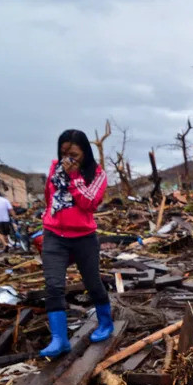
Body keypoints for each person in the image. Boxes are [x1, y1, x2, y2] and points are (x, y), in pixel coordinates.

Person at [39, 129, 111, 357]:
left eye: (74, 154)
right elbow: (49, 196)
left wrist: (73, 177)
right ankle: (59, 339)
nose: (68, 159)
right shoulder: (54, 167)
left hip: (83, 238)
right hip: (54, 235)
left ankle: (106, 323)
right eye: (64, 153)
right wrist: (49, 217)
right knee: (53, 285)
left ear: (85, 153)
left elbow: (89, 203)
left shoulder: (97, 174)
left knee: (92, 282)